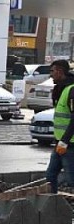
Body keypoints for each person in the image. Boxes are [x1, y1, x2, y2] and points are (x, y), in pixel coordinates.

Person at [46, 59, 74, 193]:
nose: (50, 75)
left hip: (69, 145)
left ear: (60, 71)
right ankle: (53, 208)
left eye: (52, 71)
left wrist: (64, 141)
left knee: (72, 181)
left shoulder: (71, 90)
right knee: (50, 176)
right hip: (60, 144)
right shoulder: (60, 89)